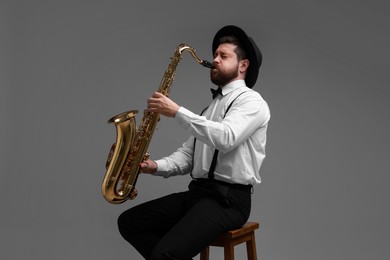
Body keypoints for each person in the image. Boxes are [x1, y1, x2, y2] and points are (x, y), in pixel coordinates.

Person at [117, 25, 270, 260]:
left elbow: (226, 137)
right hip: (198, 194)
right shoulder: (209, 110)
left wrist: (178, 112)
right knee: (129, 222)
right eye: (215, 55)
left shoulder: (253, 102)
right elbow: (188, 156)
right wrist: (154, 166)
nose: (215, 59)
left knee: (164, 254)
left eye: (223, 56)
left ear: (243, 65)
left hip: (228, 201)